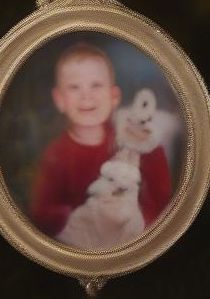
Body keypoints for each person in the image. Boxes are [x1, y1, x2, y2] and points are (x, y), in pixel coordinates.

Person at [29, 42, 172, 242]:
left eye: (96, 85)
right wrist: (76, 217)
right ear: (60, 99)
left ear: (114, 97)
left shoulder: (129, 140)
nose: (86, 95)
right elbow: (42, 212)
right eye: (74, 87)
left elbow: (160, 194)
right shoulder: (56, 155)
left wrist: (144, 226)